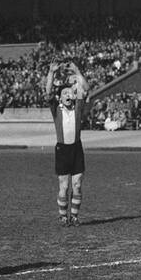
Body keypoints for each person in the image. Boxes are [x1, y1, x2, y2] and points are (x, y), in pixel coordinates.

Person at [45, 62, 88, 226]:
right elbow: (48, 91)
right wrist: (51, 73)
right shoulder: (56, 109)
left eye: (71, 92)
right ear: (60, 97)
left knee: (77, 185)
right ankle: (63, 217)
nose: (69, 95)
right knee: (63, 186)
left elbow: (83, 88)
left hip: (76, 149)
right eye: (65, 93)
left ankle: (74, 216)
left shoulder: (77, 108)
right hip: (62, 150)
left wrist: (77, 71)